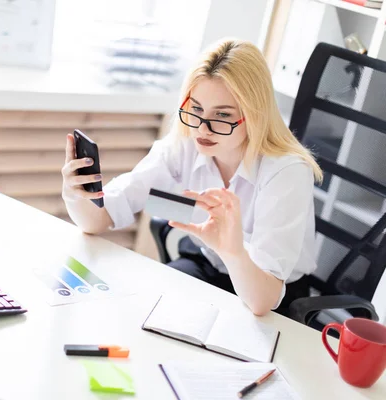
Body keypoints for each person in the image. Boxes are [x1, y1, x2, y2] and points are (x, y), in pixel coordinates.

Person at [61, 39, 323, 317]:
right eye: (196, 109)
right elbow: (96, 220)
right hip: (205, 264)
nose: (202, 129)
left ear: (254, 115)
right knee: (141, 314)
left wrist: (233, 249)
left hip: (267, 293)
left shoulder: (287, 171)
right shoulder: (184, 143)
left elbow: (262, 301)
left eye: (222, 115)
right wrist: (76, 193)